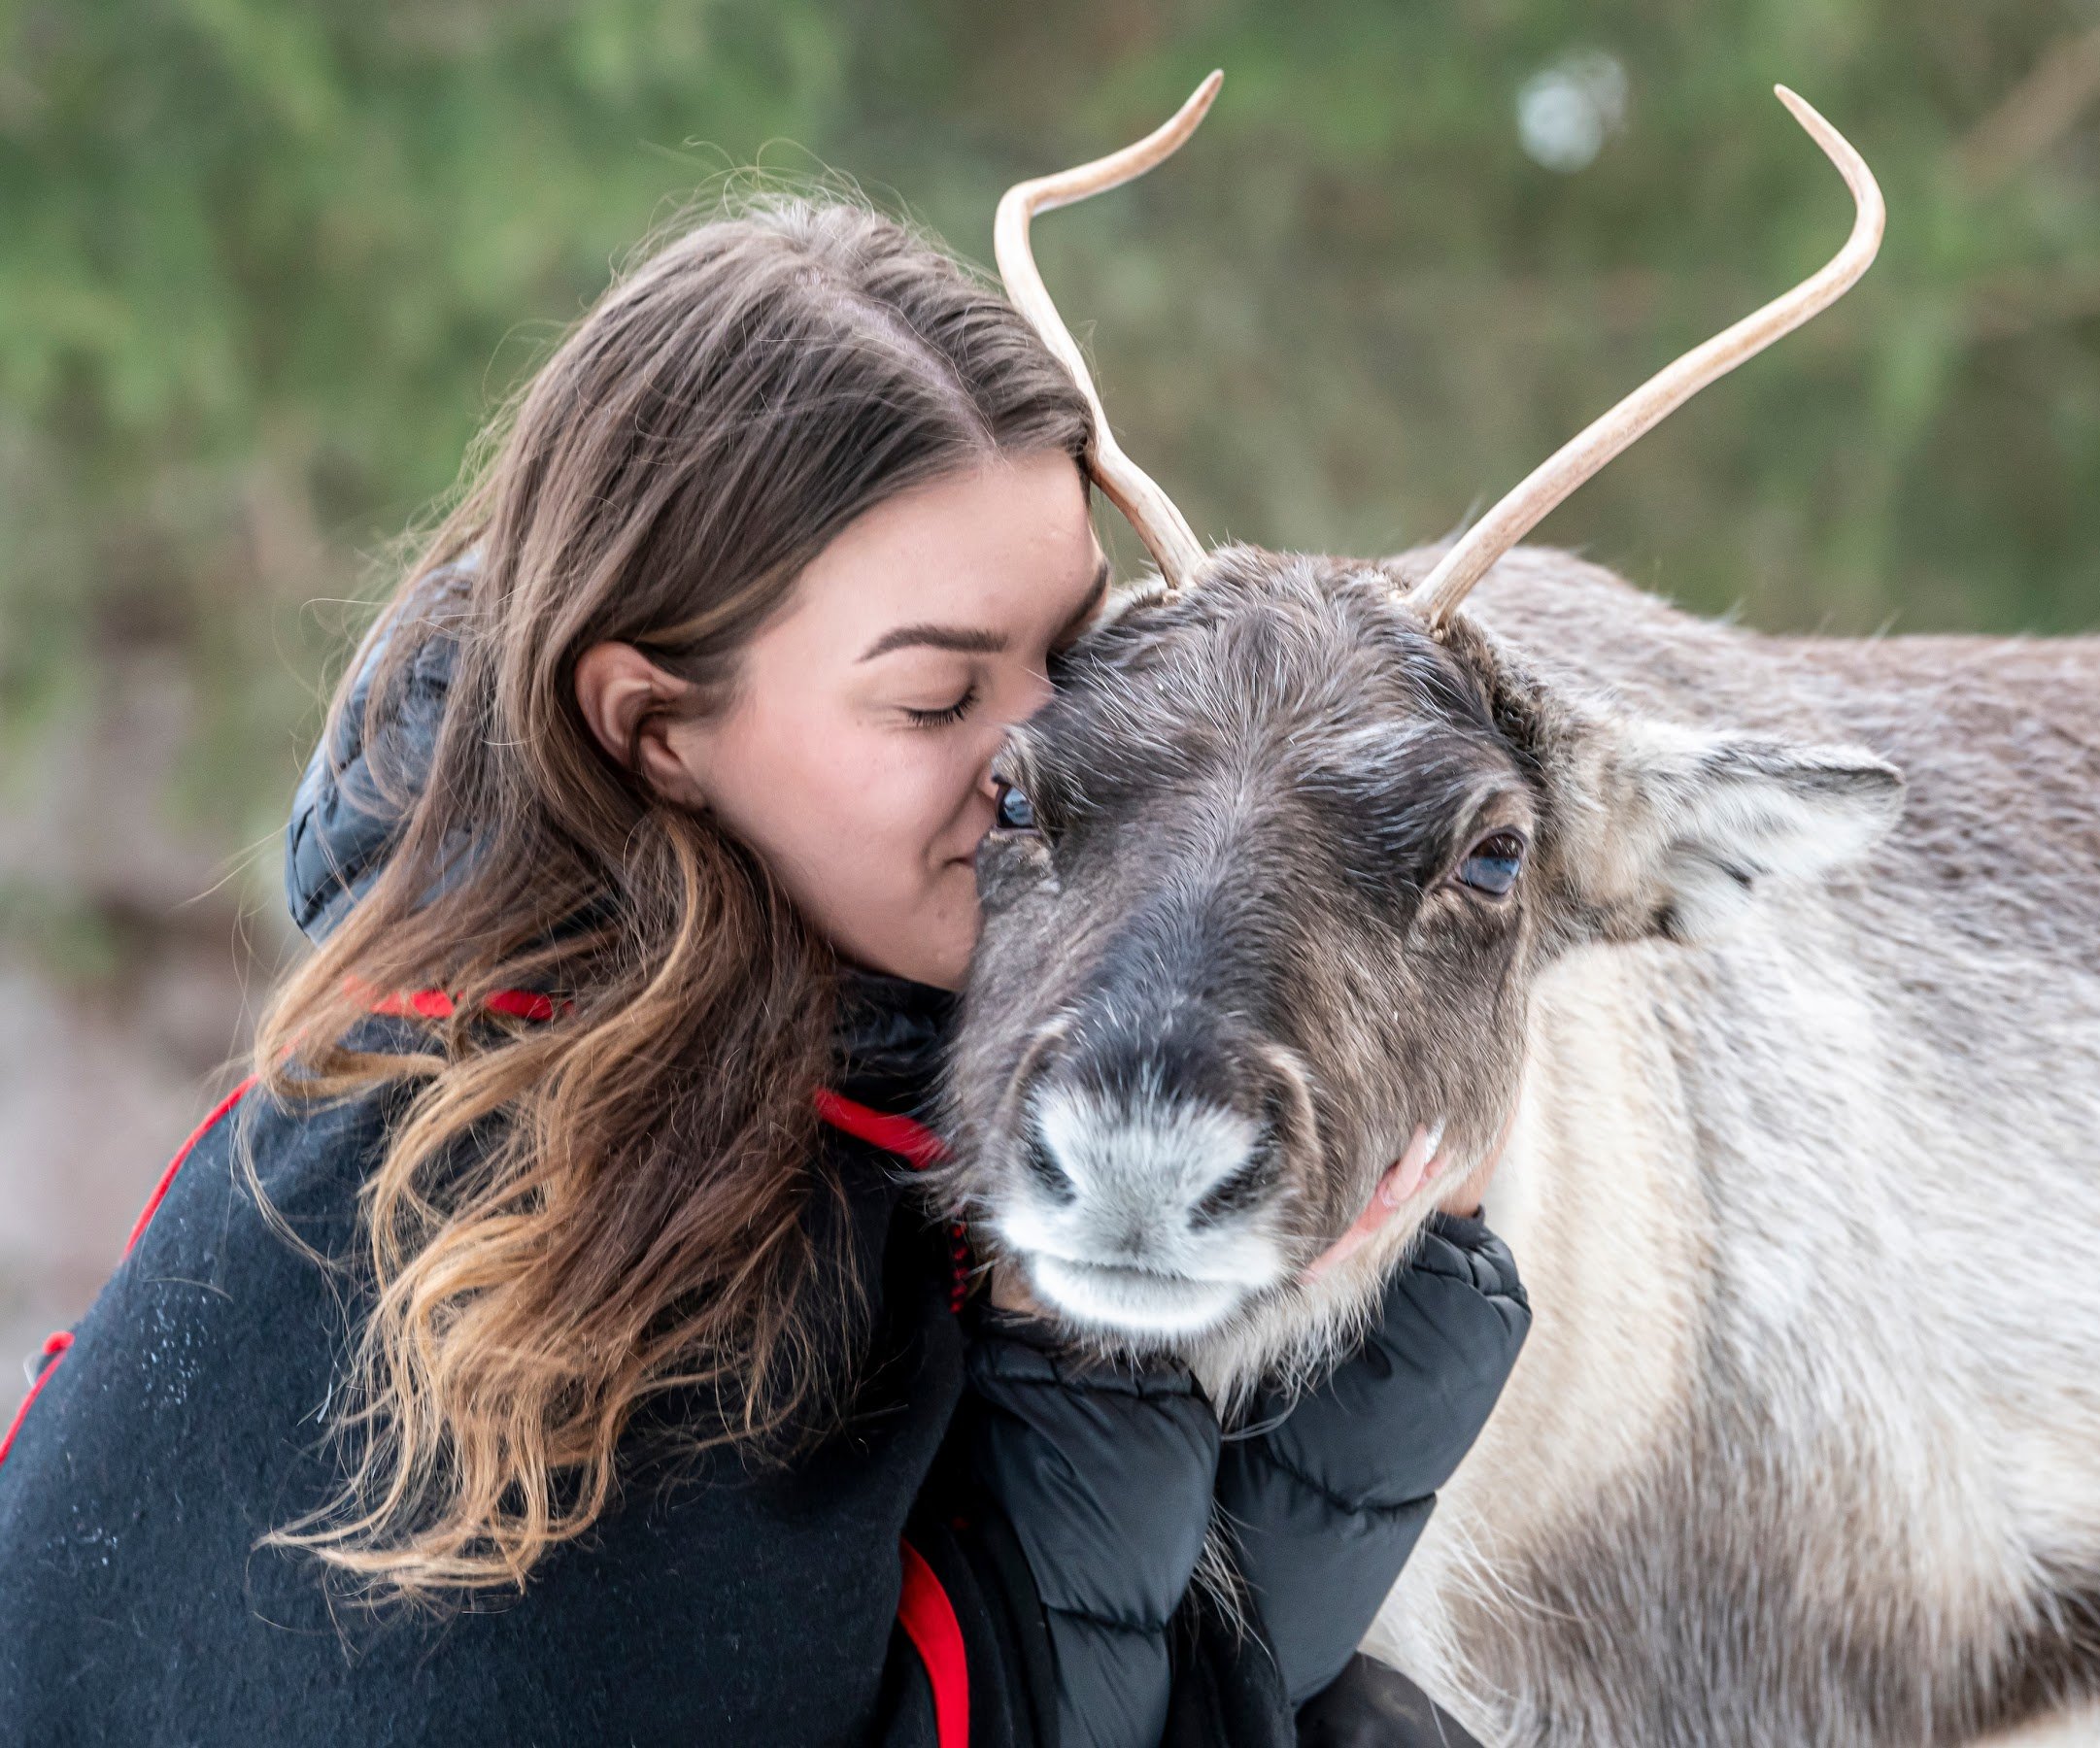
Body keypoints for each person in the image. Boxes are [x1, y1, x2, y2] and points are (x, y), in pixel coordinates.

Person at [0, 194, 1528, 1746]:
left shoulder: (866, 1044)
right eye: (936, 699)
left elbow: (1137, 1650)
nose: (1045, 755)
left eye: (1080, 662)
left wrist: (1415, 1289)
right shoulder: (551, 1225)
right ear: (657, 729)